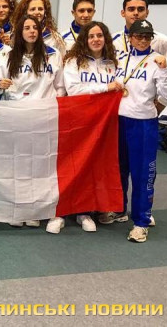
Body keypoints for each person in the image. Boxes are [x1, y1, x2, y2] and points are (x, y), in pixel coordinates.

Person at [0, 14, 66, 228]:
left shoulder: (53, 55)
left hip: (44, 118)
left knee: (40, 166)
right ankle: (18, 210)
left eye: (35, 28)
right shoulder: (7, 55)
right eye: (27, 28)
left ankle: (36, 210)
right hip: (16, 117)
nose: (32, 31)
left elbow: (60, 87)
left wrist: (53, 107)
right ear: (20, 32)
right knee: (18, 165)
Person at [49, 22, 122, 234]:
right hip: (76, 121)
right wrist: (105, 87)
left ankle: (84, 212)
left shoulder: (114, 63)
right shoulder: (73, 62)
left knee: (91, 168)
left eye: (100, 35)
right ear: (85, 39)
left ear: (105, 38)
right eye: (91, 36)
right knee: (68, 166)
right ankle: (59, 213)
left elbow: (120, 86)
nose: (96, 39)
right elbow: (74, 90)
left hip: (103, 124)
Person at [112, 20, 167, 242]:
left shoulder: (158, 61)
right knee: (119, 168)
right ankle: (119, 209)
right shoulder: (120, 58)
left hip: (143, 123)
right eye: (138, 36)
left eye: (147, 36)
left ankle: (141, 221)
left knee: (143, 173)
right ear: (130, 37)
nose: (142, 40)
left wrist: (165, 70)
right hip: (119, 121)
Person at [112, 0, 167, 112]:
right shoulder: (111, 41)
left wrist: (162, 102)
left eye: (140, 9)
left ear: (147, 12)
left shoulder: (161, 41)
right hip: (116, 106)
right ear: (123, 13)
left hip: (145, 109)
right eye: (131, 9)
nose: (136, 13)